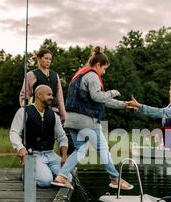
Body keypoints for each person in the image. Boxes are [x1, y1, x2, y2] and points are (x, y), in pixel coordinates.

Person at [52, 46, 133, 190]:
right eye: (104, 69)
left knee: (80, 149)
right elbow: (98, 96)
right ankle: (115, 178)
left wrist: (123, 105)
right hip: (86, 120)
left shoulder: (79, 74)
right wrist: (112, 92)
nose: (104, 72)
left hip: (71, 119)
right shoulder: (93, 75)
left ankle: (61, 176)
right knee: (103, 149)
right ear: (97, 65)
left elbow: (100, 99)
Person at [10, 84, 72, 188]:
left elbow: (62, 137)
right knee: (46, 181)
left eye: (52, 95)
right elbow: (14, 132)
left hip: (51, 154)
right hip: (33, 155)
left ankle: (44, 172)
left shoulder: (54, 115)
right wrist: (20, 148)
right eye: (49, 94)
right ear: (39, 95)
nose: (52, 97)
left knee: (68, 177)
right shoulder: (23, 111)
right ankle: (28, 173)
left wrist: (64, 156)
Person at [19, 48, 66, 123]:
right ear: (39, 59)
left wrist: (63, 115)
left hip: (54, 112)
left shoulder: (55, 75)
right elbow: (24, 95)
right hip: (37, 112)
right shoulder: (31, 75)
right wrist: (25, 111)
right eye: (46, 58)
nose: (48, 61)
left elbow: (60, 97)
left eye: (50, 59)